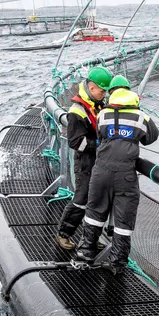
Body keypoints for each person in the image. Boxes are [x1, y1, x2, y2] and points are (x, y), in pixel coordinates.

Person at [74, 75, 159, 274]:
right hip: (126, 175)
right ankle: (117, 263)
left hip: (100, 171)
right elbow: (151, 137)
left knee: (94, 212)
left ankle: (85, 252)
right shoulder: (141, 117)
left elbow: (101, 135)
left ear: (112, 94)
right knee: (123, 219)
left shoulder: (103, 114)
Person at [54, 66, 113, 250]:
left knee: (98, 200)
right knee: (81, 199)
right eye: (102, 91)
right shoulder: (77, 111)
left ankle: (92, 238)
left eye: (105, 92)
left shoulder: (99, 105)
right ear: (92, 87)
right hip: (86, 163)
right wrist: (100, 144)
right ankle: (64, 234)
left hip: (99, 161)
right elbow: (75, 142)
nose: (103, 94)